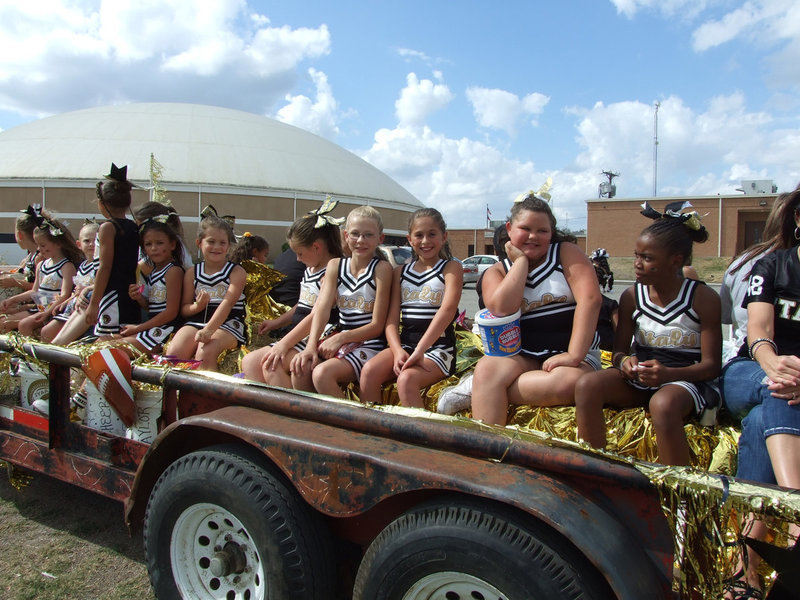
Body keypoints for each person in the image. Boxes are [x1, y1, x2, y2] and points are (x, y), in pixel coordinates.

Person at [574, 204, 721, 466]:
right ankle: (594, 472)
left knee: (663, 405)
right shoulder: (632, 296)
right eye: (636, 255)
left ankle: (676, 494)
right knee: (587, 385)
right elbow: (620, 351)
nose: (637, 264)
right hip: (642, 378)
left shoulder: (703, 298)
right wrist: (624, 362)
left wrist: (668, 375)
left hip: (685, 380)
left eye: (647, 258)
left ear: (676, 260)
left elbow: (711, 367)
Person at [719, 186, 800, 597]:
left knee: (760, 423)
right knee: (776, 391)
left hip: (788, 391)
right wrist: (778, 369)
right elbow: (759, 334)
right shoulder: (771, 267)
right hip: (751, 371)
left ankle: (744, 568)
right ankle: (794, 508)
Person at [470, 193, 601, 426]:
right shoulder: (497, 271)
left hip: (573, 352)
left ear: (552, 233)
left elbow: (590, 299)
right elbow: (501, 308)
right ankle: (487, 454)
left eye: (543, 231)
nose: (533, 236)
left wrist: (573, 355)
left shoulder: (565, 253)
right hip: (524, 353)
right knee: (487, 371)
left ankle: (481, 391)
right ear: (509, 229)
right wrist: (520, 263)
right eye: (525, 228)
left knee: (569, 385)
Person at [360, 208, 463, 408]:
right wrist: (397, 351)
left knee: (406, 380)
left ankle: (421, 438)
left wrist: (420, 351)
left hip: (438, 348)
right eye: (419, 235)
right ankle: (374, 432)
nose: (425, 241)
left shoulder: (451, 268)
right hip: (406, 345)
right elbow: (390, 321)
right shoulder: (400, 272)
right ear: (409, 239)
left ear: (444, 237)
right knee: (369, 371)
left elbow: (447, 311)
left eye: (432, 234)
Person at [291, 205, 392, 399]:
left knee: (322, 375)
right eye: (355, 234)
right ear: (345, 235)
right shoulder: (335, 265)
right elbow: (321, 309)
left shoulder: (382, 269)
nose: (361, 240)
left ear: (380, 239)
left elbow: (377, 326)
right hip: (340, 338)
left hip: (369, 343)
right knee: (300, 368)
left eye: (368, 235)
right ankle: (315, 424)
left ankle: (351, 425)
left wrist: (340, 338)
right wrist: (311, 345)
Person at [241, 201, 343, 390]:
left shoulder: (333, 271)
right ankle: (267, 409)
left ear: (317, 247)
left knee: (271, 366)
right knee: (249, 362)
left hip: (318, 335)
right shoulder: (311, 268)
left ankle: (290, 413)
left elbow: (316, 315)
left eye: (300, 253)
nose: (297, 259)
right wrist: (277, 322)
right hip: (298, 334)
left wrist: (284, 344)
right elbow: (303, 305)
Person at [166, 214, 246, 371]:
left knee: (205, 351)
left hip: (228, 322)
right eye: (211, 241)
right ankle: (180, 394)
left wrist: (209, 329)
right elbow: (184, 309)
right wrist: (198, 306)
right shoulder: (192, 272)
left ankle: (208, 395)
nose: (217, 247)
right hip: (197, 320)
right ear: (199, 243)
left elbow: (228, 303)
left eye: (222, 243)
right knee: (173, 354)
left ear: (229, 246)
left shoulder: (236, 271)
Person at [719, 192, 792, 365]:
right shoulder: (772, 265)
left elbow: (726, 316)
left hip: (742, 359)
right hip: (763, 361)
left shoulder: (742, 261)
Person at [111, 217, 184, 355]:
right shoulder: (154, 272)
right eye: (148, 244)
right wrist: (139, 298)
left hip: (165, 331)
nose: (154, 248)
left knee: (109, 349)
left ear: (172, 245)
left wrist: (138, 328)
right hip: (152, 328)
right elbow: (152, 307)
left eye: (159, 243)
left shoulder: (173, 271)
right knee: (102, 341)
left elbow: (170, 312)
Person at [1, 210, 80, 335]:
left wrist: (47, 313)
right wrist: (13, 300)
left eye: (43, 245)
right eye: (38, 245)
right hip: (39, 308)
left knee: (24, 324)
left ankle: (30, 353)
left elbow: (65, 295)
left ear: (58, 243)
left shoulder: (66, 267)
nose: (39, 249)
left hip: (54, 311)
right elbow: (35, 291)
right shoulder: (42, 265)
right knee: (3, 321)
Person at [85, 163, 141, 337]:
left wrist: (94, 303)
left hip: (113, 294)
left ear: (102, 204)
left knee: (108, 341)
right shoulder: (133, 226)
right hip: (128, 291)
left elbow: (105, 266)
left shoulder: (108, 227)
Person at [41, 220, 99, 343]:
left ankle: (55, 356)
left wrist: (85, 290)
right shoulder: (83, 266)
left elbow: (102, 284)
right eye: (87, 241)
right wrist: (67, 301)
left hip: (85, 307)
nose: (91, 244)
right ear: (79, 244)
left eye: (95, 241)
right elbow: (77, 289)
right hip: (72, 306)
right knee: (45, 332)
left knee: (51, 334)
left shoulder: (100, 265)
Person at [133, 201, 194, 269]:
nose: (137, 231)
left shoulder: (165, 250)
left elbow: (138, 270)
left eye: (140, 227)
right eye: (148, 244)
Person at [0, 206, 42, 292]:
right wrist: (5, 273)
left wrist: (15, 283)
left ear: (19, 235)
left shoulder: (40, 257)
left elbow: (41, 287)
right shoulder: (30, 256)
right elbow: (20, 273)